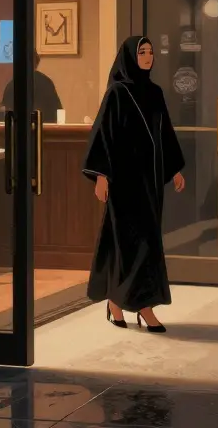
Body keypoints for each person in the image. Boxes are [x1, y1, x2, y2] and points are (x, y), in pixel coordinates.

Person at [84, 37, 186, 333]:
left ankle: (117, 303)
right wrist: (101, 176)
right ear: (130, 57)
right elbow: (103, 135)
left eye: (151, 52)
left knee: (147, 241)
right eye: (141, 52)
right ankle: (144, 306)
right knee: (132, 242)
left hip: (150, 181)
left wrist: (175, 168)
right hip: (124, 182)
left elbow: (164, 132)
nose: (148, 56)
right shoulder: (117, 93)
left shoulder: (155, 92)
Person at [1, 54, 63, 119]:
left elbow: (6, 113)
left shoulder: (13, 84)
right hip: (44, 127)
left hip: (19, 127)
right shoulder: (47, 82)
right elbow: (58, 111)